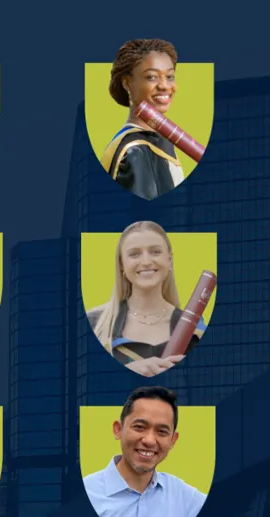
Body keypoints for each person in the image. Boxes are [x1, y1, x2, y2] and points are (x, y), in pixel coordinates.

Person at [83, 386, 206, 517]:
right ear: (118, 430)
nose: (149, 440)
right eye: (139, 427)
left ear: (173, 440)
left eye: (162, 432)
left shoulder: (187, 499)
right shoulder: (85, 494)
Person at [87, 221, 205, 377]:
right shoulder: (94, 323)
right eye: (134, 254)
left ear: (169, 259)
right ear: (122, 264)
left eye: (155, 252)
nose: (146, 262)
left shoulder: (195, 328)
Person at [101, 39, 184, 200]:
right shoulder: (135, 151)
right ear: (127, 83)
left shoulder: (157, 142)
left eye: (170, 76)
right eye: (152, 77)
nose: (165, 86)